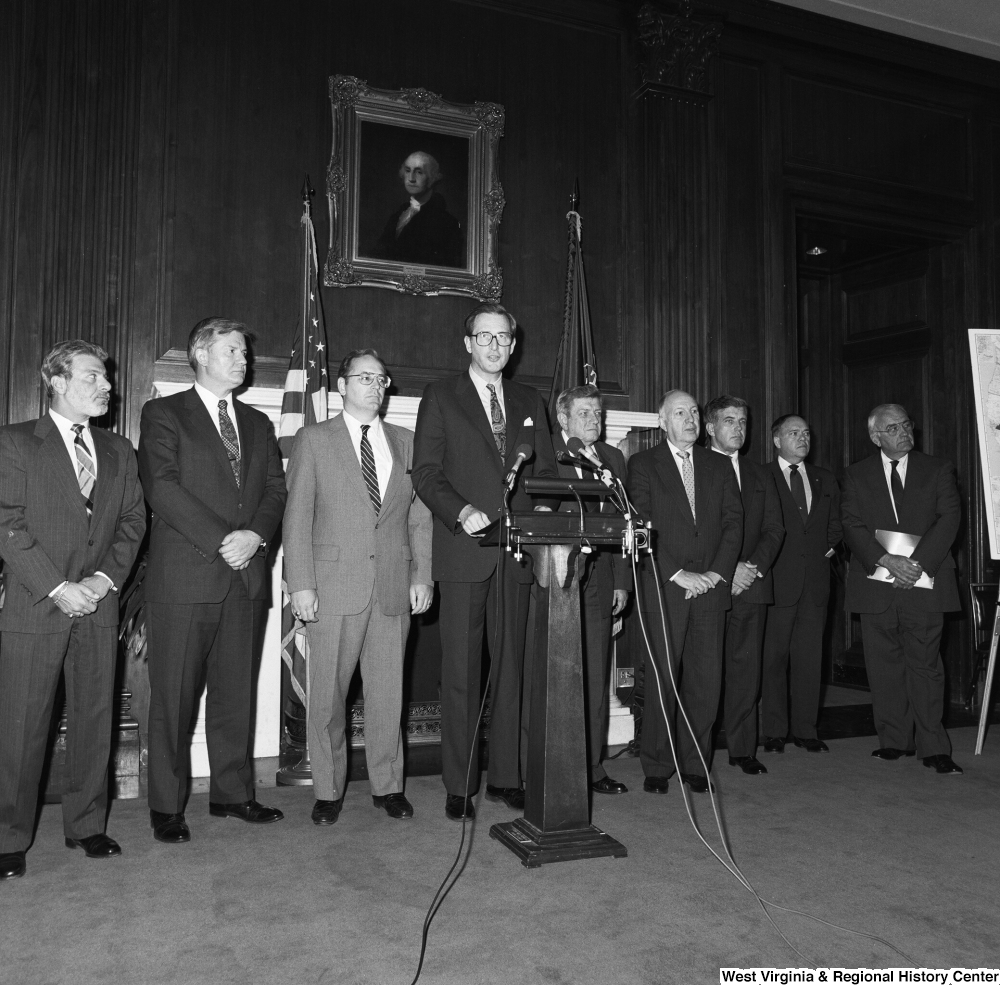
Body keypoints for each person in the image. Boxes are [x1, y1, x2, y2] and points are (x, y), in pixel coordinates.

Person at [138, 318, 287, 844]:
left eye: (244, 350)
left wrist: (255, 539)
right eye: (232, 350)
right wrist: (226, 539)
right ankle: (166, 806)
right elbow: (162, 486)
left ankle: (232, 794)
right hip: (185, 578)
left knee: (234, 695)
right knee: (174, 699)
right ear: (201, 355)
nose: (242, 359)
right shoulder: (163, 413)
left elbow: (274, 490)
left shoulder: (257, 422)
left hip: (246, 576)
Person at [0, 340, 145, 880]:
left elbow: (133, 523)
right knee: (21, 727)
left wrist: (104, 580)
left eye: (106, 377)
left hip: (98, 607)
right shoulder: (15, 443)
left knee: (93, 719)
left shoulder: (118, 450)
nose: (107, 386)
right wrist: (59, 586)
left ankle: (87, 826)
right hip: (37, 607)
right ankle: (8, 836)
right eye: (92, 377)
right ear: (56, 381)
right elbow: (6, 525)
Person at [411, 302, 557, 821]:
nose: (495, 346)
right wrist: (461, 511)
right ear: (467, 343)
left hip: (518, 554)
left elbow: (546, 472)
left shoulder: (528, 399)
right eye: (485, 337)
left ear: (513, 347)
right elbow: (425, 473)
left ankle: (506, 777)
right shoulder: (440, 396)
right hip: (464, 550)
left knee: (513, 668)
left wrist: (543, 508)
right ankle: (459, 782)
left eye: (504, 339)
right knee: (461, 672)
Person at [284, 349, 433, 825]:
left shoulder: (407, 443)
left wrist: (422, 574)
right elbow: (297, 517)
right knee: (328, 697)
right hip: (331, 588)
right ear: (343, 386)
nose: (374, 385)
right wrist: (300, 584)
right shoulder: (314, 440)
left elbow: (419, 517)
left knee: (390, 695)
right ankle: (328, 790)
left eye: (381, 379)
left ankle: (388, 785)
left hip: (393, 587)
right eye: (363, 377)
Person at [625, 390, 742, 795]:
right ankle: (657, 765)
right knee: (663, 680)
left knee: (705, 683)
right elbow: (640, 524)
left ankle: (696, 764)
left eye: (694, 412)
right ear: (662, 422)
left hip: (710, 589)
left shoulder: (718, 465)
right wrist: (677, 573)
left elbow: (733, 524)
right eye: (680, 413)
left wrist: (716, 574)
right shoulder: (642, 465)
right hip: (666, 589)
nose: (690, 419)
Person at [841, 404, 963, 774]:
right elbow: (851, 524)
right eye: (893, 428)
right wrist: (886, 560)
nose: (904, 432)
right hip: (877, 584)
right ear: (876, 436)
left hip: (925, 582)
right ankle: (894, 741)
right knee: (884, 667)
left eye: (907, 425)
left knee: (925, 666)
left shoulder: (938, 469)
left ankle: (934, 747)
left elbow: (950, 518)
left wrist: (917, 564)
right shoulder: (855, 474)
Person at [552, 384, 631, 795]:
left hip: (601, 579)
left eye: (597, 415)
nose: (594, 422)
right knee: (560, 674)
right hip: (560, 578)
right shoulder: (549, 453)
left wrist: (621, 581)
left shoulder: (613, 458)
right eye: (584, 414)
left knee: (597, 676)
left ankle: (593, 766)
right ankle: (555, 765)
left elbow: (621, 525)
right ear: (564, 419)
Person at [704, 396, 784, 776]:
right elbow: (693, 531)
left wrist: (751, 568)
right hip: (707, 583)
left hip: (751, 584)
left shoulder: (761, 474)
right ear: (710, 427)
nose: (738, 429)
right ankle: (695, 754)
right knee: (702, 672)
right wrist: (726, 569)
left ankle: (741, 749)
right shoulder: (694, 466)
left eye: (743, 422)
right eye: (730, 421)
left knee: (745, 671)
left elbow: (774, 529)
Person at [760, 414, 841, 754]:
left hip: (816, 584)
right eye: (794, 433)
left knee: (810, 660)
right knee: (773, 659)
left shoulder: (825, 479)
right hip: (776, 581)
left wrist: (830, 547)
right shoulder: (760, 476)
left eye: (806, 432)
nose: (802, 438)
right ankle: (775, 730)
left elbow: (837, 525)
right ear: (777, 440)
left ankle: (806, 729)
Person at [371, 152, 464, 268]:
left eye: (419, 172)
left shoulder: (447, 223)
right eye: (408, 170)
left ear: (433, 177)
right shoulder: (397, 216)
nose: (411, 179)